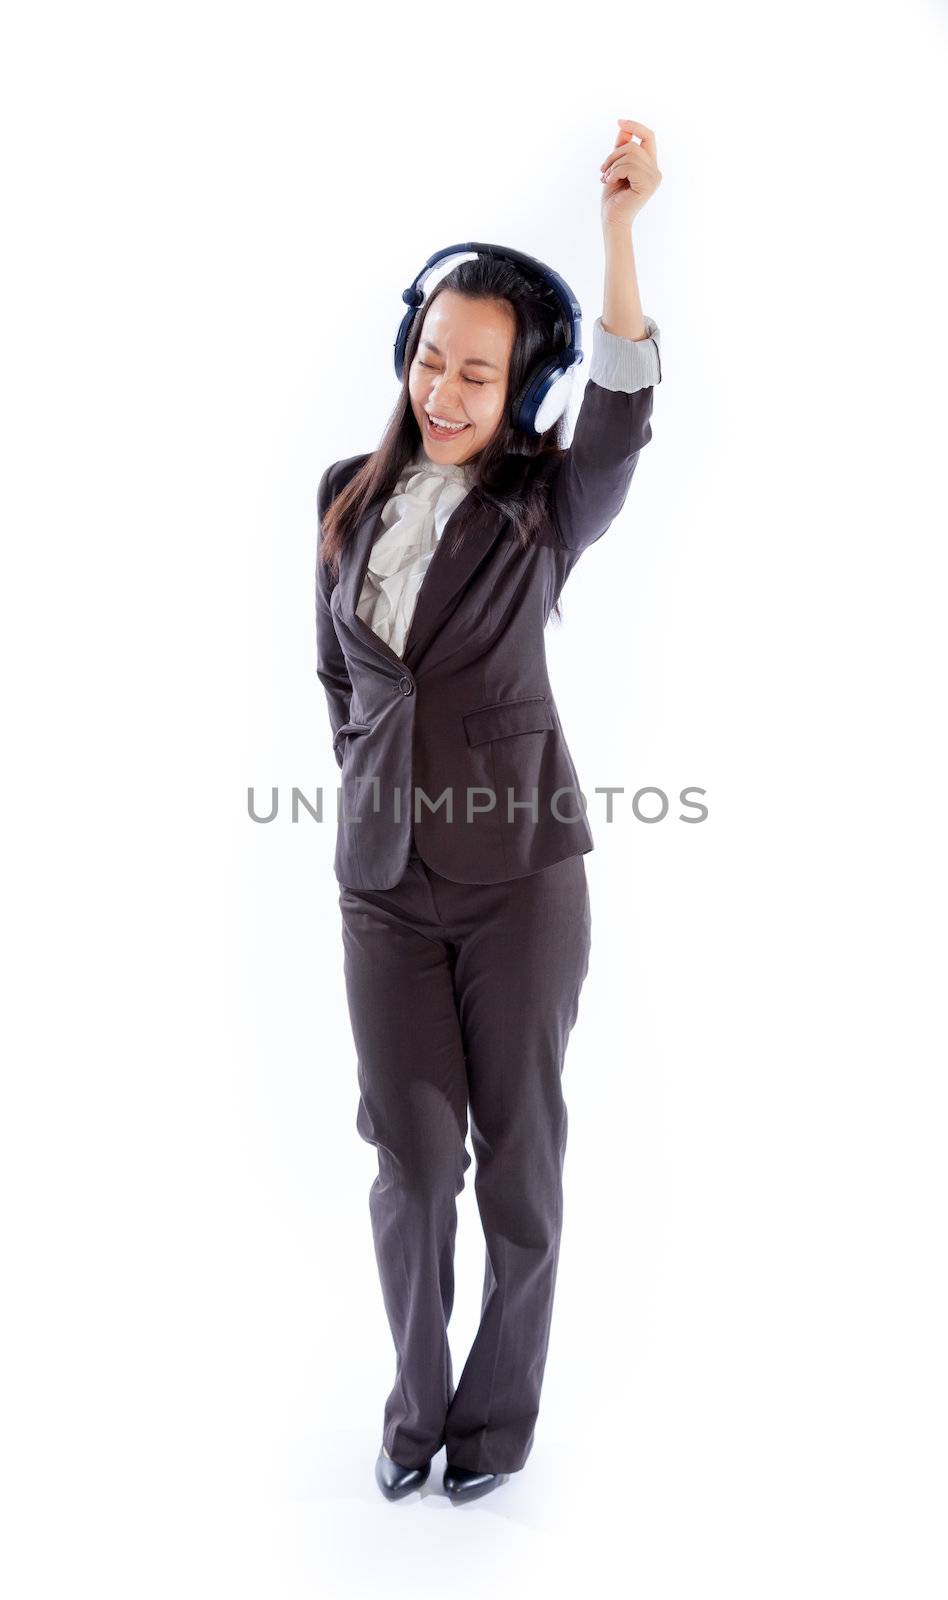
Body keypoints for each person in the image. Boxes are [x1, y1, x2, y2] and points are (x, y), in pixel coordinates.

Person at [315, 120, 663, 1503]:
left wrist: (622, 233)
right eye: (430, 359)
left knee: (519, 1166)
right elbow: (334, 685)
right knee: (408, 1163)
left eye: (478, 371)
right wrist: (360, 811)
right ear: (407, 355)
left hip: (521, 879)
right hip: (380, 886)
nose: (446, 389)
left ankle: (495, 1422)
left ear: (517, 388)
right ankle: (412, 1413)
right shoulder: (337, 501)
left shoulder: (541, 506)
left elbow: (626, 411)